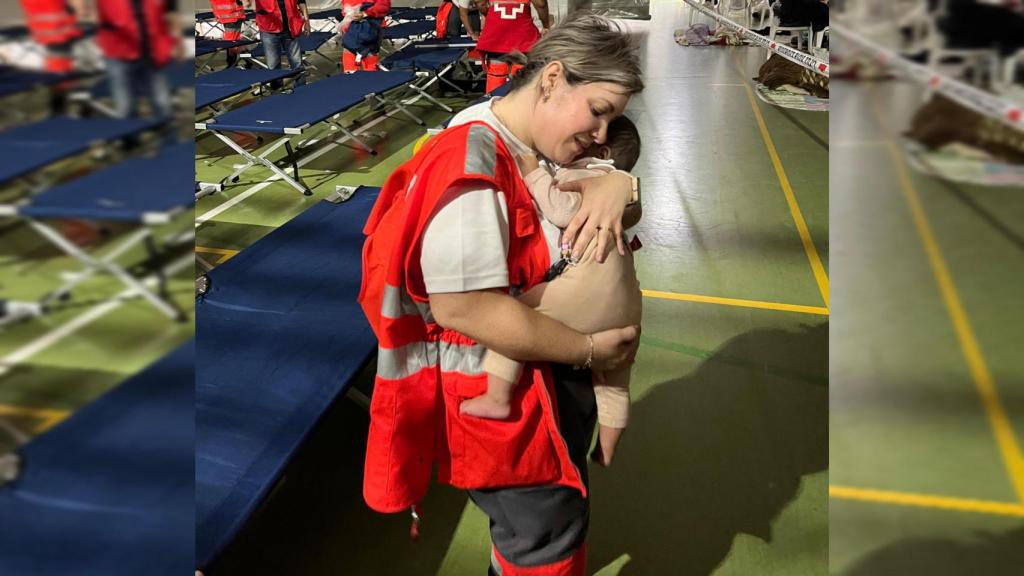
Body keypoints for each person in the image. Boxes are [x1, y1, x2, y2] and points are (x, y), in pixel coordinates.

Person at [359, 14, 643, 576]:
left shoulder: (528, 140)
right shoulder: (474, 164)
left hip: (542, 375)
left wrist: (619, 181)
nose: (603, 136)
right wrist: (591, 353)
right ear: (552, 78)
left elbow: (578, 200)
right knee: (543, 541)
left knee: (549, 526)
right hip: (510, 399)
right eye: (598, 112)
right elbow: (465, 307)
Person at [460, 115, 643, 468]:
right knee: (615, 384)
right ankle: (607, 448)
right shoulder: (622, 187)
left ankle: (497, 397)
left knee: (511, 320)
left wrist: (533, 170)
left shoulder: (585, 174)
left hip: (582, 292)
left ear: (602, 151)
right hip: (627, 304)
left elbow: (559, 208)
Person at [71, 0, 183, 119]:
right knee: (125, 108)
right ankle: (130, 137)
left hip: (153, 51)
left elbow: (171, 13)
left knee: (162, 104)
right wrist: (82, 8)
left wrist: (179, 43)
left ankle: (167, 136)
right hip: (118, 52)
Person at [476, 0, 550, 92]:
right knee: (523, 76)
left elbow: (480, 3)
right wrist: (546, 25)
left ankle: (493, 100)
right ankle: (520, 101)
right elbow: (540, 4)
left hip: (497, 35)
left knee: (496, 75)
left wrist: (491, 15)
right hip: (522, 34)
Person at [244, 0, 310, 90]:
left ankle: (302, 89)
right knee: (273, 65)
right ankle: (277, 92)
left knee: (297, 62)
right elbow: (247, 4)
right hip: (268, 29)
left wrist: (307, 21)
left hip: (290, 28)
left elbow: (301, 1)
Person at [19, 0, 82, 73]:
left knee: (56, 62)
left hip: (44, 31)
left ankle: (58, 77)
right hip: (60, 32)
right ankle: (61, 79)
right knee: (60, 66)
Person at [338, 0, 389, 72]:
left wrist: (364, 14)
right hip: (351, 29)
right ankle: (351, 79)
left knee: (370, 64)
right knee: (349, 67)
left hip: (370, 30)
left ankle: (371, 79)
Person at [209, 0, 248, 67]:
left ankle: (232, 65)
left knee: (232, 44)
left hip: (232, 18)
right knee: (234, 43)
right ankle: (249, 58)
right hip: (229, 17)